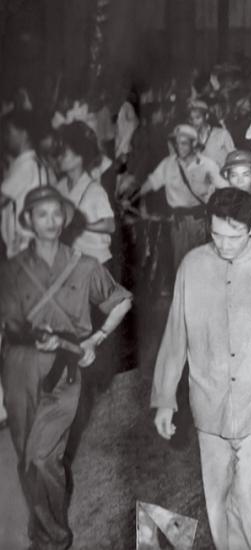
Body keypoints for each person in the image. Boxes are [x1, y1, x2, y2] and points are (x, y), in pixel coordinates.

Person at [151, 187, 251, 548]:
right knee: (219, 501)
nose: (224, 245)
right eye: (216, 235)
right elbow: (176, 333)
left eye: (234, 237)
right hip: (210, 405)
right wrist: (164, 397)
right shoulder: (193, 265)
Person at [0, 186, 132, 550]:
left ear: (65, 218)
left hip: (64, 372)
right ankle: (40, 526)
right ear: (27, 221)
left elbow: (122, 301)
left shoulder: (84, 265)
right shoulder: (11, 270)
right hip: (18, 369)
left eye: (56, 213)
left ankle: (54, 540)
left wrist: (96, 339)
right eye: (41, 214)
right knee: (27, 457)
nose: (51, 221)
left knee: (44, 458)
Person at [136, 124, 227, 270]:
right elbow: (151, 182)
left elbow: (225, 188)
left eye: (184, 143)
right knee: (181, 265)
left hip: (199, 223)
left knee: (201, 264)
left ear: (194, 144)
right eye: (177, 144)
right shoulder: (168, 164)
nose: (179, 148)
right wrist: (132, 197)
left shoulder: (207, 164)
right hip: (177, 224)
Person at [55, 121, 115, 266]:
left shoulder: (95, 190)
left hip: (97, 262)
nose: (59, 158)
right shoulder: (59, 187)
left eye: (64, 153)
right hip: (73, 260)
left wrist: (81, 225)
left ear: (80, 156)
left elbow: (110, 225)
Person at [1, 109, 55, 258]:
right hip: (30, 242)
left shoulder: (25, 166)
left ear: (23, 134)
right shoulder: (34, 162)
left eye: (8, 132)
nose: (5, 137)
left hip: (23, 245)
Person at [188, 99, 235, 167]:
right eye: (191, 119)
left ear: (206, 116)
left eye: (198, 118)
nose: (194, 122)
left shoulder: (222, 134)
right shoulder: (191, 141)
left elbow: (234, 158)